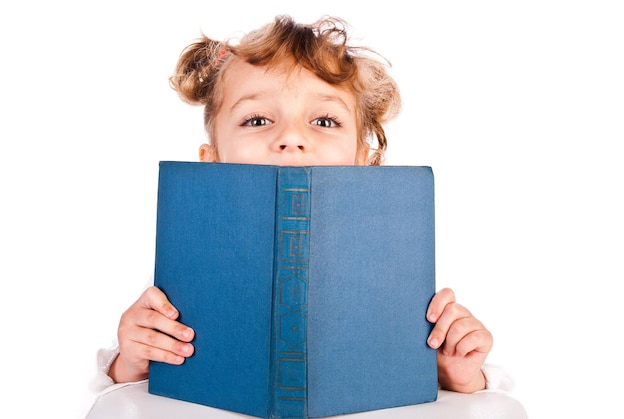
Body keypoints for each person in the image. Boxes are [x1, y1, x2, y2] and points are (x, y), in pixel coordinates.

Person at [93, 14, 513, 397]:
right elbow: (117, 396)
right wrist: (129, 362)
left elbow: (473, 398)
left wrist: (460, 374)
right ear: (212, 161)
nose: (291, 138)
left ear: (363, 161)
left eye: (324, 121)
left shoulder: (399, 269)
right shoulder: (187, 259)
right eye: (257, 120)